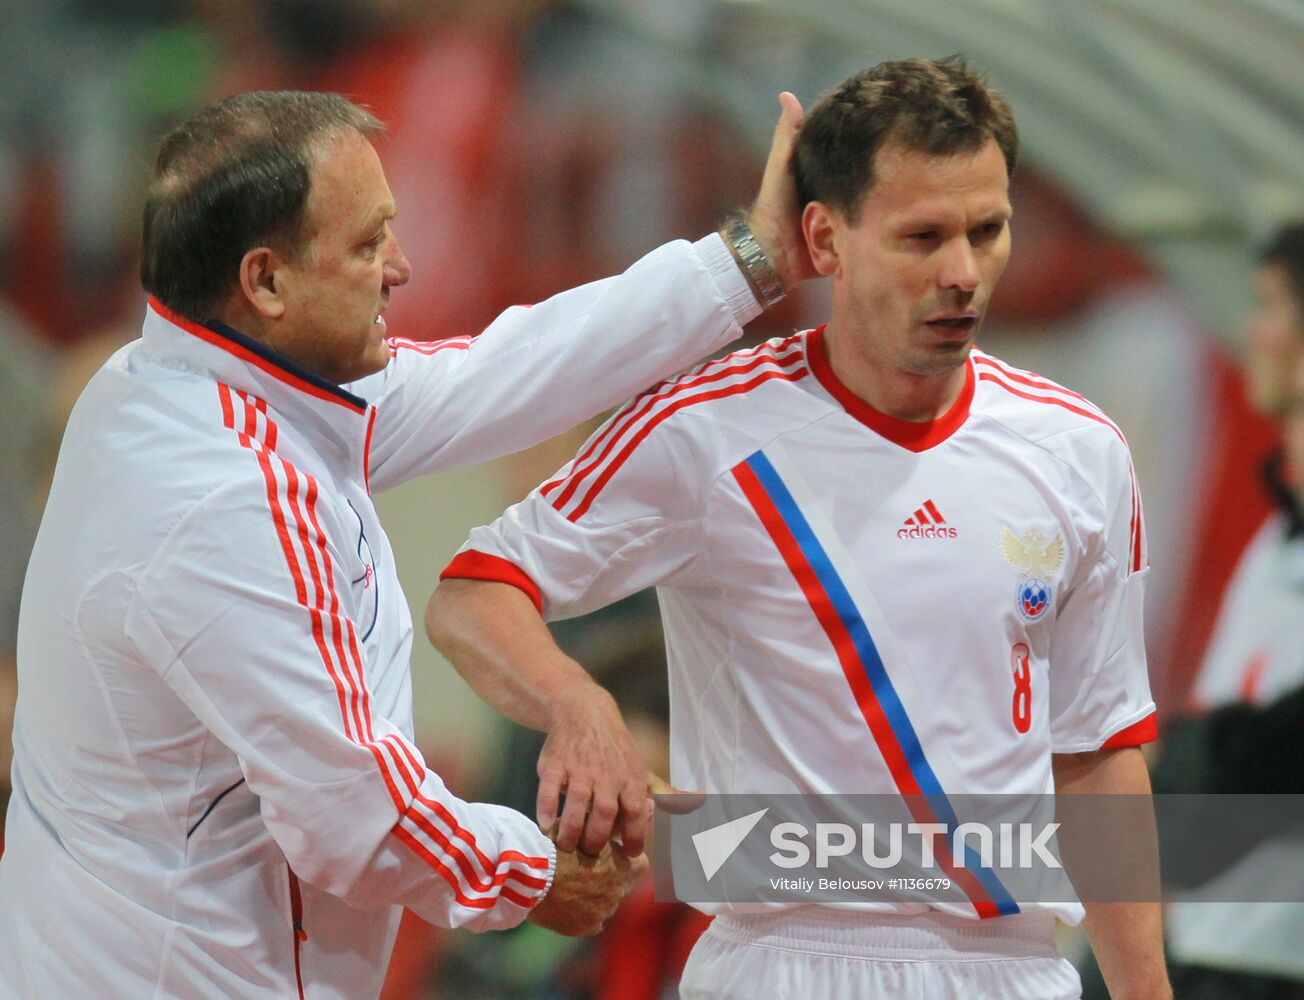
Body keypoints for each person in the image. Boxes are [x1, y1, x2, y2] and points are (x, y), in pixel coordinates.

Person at [0, 88, 812, 999]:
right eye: (367, 243)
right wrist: (539, 871)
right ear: (265, 282)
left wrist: (752, 260)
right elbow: (354, 814)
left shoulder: (176, 384)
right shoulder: (229, 494)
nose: (402, 266)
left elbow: (506, 370)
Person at [428, 58, 1171, 999]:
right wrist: (579, 706)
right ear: (825, 238)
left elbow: (1097, 753)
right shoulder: (707, 431)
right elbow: (473, 592)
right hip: (783, 961)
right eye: (922, 237)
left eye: (988, 231)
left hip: (1013, 970)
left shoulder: (1079, 449)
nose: (962, 273)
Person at [1150, 222, 1304, 999]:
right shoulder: (1273, 538)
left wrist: (1189, 762)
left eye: (1269, 305)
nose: (1252, 331)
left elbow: (1257, 765)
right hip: (1211, 950)